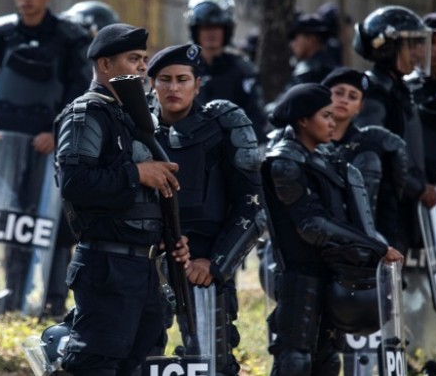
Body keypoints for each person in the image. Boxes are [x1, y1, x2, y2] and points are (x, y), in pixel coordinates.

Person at [54, 24, 190, 375]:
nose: (143, 67)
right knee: (97, 365)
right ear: (104, 65)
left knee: (143, 365)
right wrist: (138, 173)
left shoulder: (131, 117)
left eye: (145, 59)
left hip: (144, 268)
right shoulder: (87, 114)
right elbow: (75, 182)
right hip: (106, 265)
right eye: (134, 59)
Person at [0, 0, 91, 315]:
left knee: (53, 221)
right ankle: (13, 292)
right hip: (3, 146)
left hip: (50, 148)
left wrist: (57, 131)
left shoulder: (70, 37)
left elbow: (80, 95)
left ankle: (53, 298)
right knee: (11, 219)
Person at [262, 83, 403, 376]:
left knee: (327, 361)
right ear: (303, 120)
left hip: (332, 274)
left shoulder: (325, 159)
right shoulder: (285, 161)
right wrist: (374, 247)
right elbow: (311, 225)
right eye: (325, 115)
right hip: (299, 276)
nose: (332, 122)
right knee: (295, 360)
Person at [148, 43, 264, 375]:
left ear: (197, 84)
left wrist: (216, 263)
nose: (173, 88)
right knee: (139, 356)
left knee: (212, 362)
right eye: (165, 79)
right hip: (148, 261)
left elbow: (254, 206)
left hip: (205, 262)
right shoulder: (134, 129)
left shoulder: (223, 126)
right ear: (152, 84)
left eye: (183, 79)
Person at [353, 5, 436, 252]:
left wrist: (433, 181)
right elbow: (377, 152)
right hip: (385, 203)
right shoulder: (373, 94)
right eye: (410, 45)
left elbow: (413, 147)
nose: (417, 52)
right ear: (387, 48)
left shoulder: (400, 90)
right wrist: (418, 188)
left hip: (405, 200)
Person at [323, 67, 408, 248]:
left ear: (360, 108)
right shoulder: (306, 140)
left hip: (361, 242)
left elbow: (386, 205)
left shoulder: (368, 146)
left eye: (353, 96)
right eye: (339, 93)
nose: (344, 100)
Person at [184, 0, 268, 140]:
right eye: (206, 27)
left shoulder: (243, 70)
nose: (212, 33)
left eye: (217, 27)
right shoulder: (183, 68)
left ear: (226, 30)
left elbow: (256, 118)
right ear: (196, 30)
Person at [286, 13, 335, 88]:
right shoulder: (331, 66)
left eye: (295, 38)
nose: (292, 44)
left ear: (311, 39)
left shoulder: (308, 74)